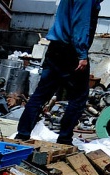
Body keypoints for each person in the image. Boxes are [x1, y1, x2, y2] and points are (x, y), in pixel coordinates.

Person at [14, 0, 101, 145]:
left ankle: (22, 134)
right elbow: (81, 23)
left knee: (41, 94)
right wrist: (82, 54)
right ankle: (65, 138)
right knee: (79, 97)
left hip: (55, 48)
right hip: (71, 50)